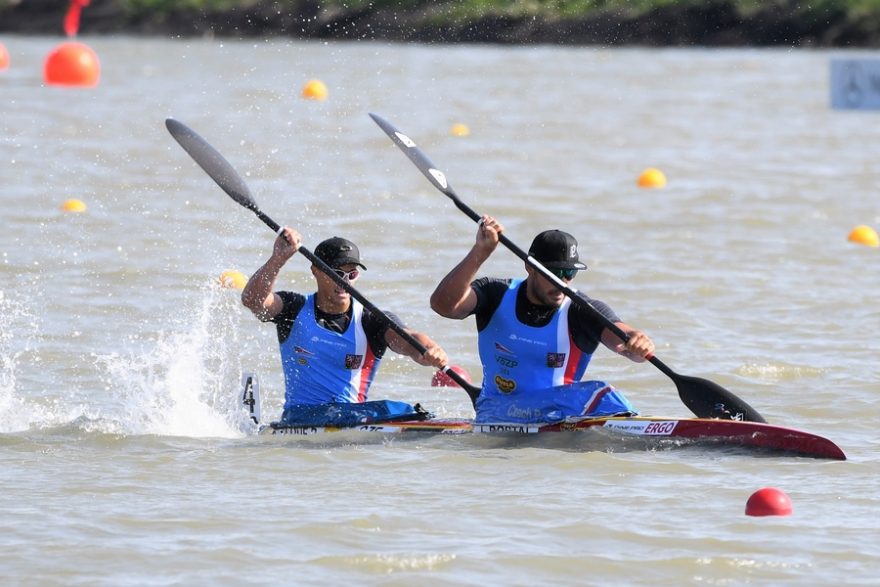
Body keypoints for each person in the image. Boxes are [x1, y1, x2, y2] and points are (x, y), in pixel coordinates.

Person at [430, 217, 656, 424]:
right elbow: (443, 305)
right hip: (495, 410)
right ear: (530, 267)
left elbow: (626, 344)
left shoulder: (581, 309)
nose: (562, 282)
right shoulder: (495, 294)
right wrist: (481, 252)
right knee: (600, 393)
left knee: (602, 393)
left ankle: (634, 426)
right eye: (554, 273)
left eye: (569, 274)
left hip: (559, 415)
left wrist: (637, 342)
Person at [242, 227, 449, 425]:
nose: (345, 282)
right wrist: (278, 258)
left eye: (352, 274)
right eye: (336, 273)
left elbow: (405, 337)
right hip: (300, 415)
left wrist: (427, 350)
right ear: (315, 270)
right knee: (391, 410)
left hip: (351, 416)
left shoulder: (370, 320)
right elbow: (252, 300)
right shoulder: (293, 309)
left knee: (406, 411)